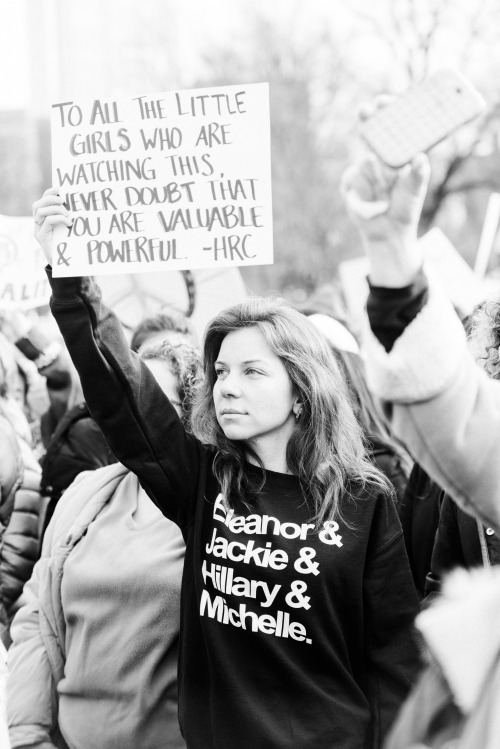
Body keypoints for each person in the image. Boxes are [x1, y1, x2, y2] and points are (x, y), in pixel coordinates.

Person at [31, 188, 420, 749]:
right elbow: (121, 388)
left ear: (302, 393)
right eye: (221, 371)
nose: (227, 387)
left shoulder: (365, 498)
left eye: (252, 372)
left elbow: (396, 661)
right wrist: (71, 273)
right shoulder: (203, 482)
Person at [7, 339, 202, 749]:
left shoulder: (216, 505)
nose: (132, 414)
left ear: (192, 413)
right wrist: (28, 735)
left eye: (152, 401)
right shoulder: (86, 493)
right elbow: (38, 618)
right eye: (121, 396)